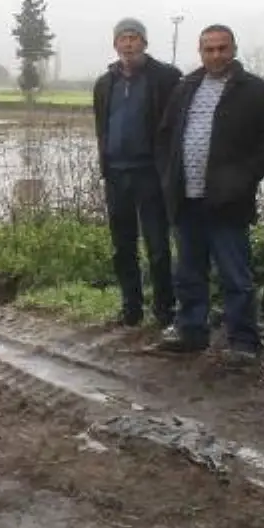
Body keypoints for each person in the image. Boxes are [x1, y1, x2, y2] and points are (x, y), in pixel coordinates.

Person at [155, 24, 264, 358]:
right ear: (200, 52)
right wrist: (169, 177)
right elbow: (166, 135)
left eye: (222, 48)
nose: (216, 55)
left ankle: (242, 341)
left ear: (234, 49)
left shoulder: (255, 91)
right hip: (186, 199)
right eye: (209, 49)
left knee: (235, 276)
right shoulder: (185, 88)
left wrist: (244, 179)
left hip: (228, 201)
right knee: (188, 272)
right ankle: (191, 331)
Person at [92, 17, 183, 327]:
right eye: (123, 38)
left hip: (151, 174)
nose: (128, 43)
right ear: (115, 44)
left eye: (134, 38)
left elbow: (176, 126)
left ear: (144, 42)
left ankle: (164, 309)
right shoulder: (106, 83)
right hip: (117, 174)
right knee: (122, 246)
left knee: (157, 246)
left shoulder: (166, 78)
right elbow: (101, 127)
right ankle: (131, 307)